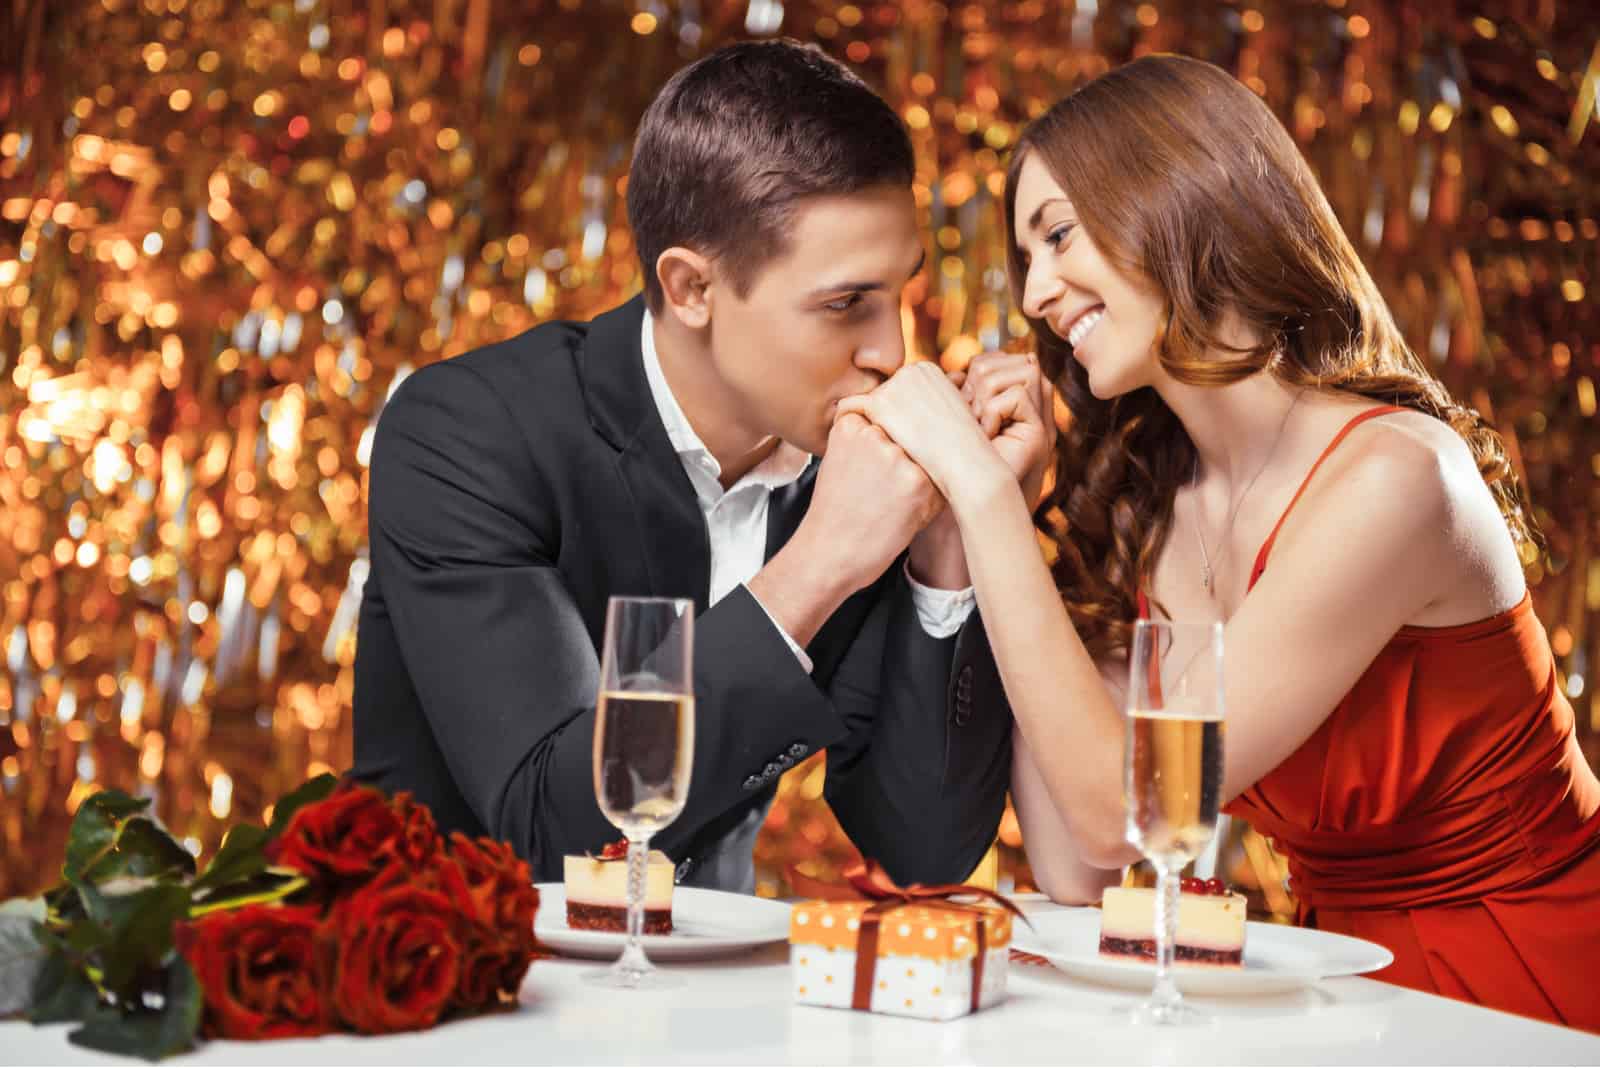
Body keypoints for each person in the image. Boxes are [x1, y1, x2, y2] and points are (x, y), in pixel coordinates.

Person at [841, 54, 1600, 1030]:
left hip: (1534, 986)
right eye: (1025, 259)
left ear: (1178, 197)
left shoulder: (1395, 478)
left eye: (1059, 236)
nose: (1033, 295)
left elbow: (1114, 808)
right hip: (1346, 993)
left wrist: (983, 498)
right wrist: (1018, 510)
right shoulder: (1153, 501)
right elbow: (1089, 861)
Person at [350, 40, 1041, 894]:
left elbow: (922, 851)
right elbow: (552, 833)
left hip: (707, 1006)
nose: (891, 350)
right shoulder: (468, 431)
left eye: (898, 293)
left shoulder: (854, 471)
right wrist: (820, 565)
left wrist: (947, 555)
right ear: (690, 289)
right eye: (844, 304)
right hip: (455, 985)